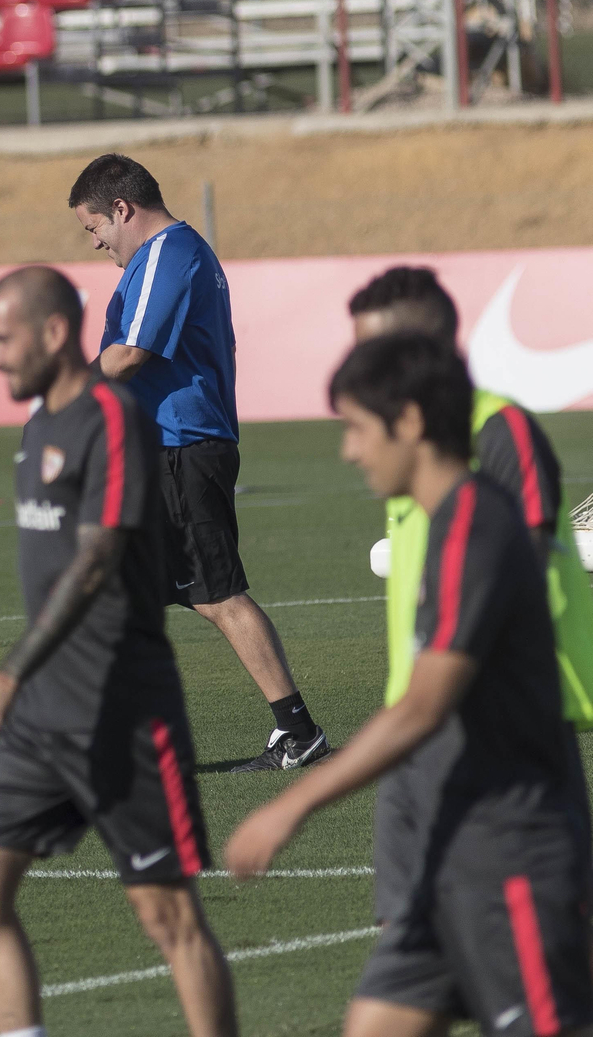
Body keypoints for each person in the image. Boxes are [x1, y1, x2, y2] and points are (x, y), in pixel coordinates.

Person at [227, 332, 593, 1037]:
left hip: (511, 854)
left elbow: (424, 705)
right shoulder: (444, 526)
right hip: (446, 855)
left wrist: (291, 805)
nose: (349, 452)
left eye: (359, 429)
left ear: (414, 424)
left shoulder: (479, 529)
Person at [0, 266, 236, 1037]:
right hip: (43, 718)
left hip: (123, 710)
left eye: (3, 340)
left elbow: (98, 555)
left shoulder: (112, 418)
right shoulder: (39, 424)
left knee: (167, 914)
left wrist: (8, 675)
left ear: (50, 333)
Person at [69, 153, 330, 773]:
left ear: (122, 209)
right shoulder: (172, 256)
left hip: (180, 445)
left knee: (218, 594)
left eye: (94, 227)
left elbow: (130, 354)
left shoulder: (169, 254)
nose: (96, 242)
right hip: (163, 446)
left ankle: (298, 730)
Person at [348, 265, 593, 723]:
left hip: (503, 716)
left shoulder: (498, 430)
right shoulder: (407, 445)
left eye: (373, 353)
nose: (357, 368)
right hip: (428, 718)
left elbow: (523, 573)